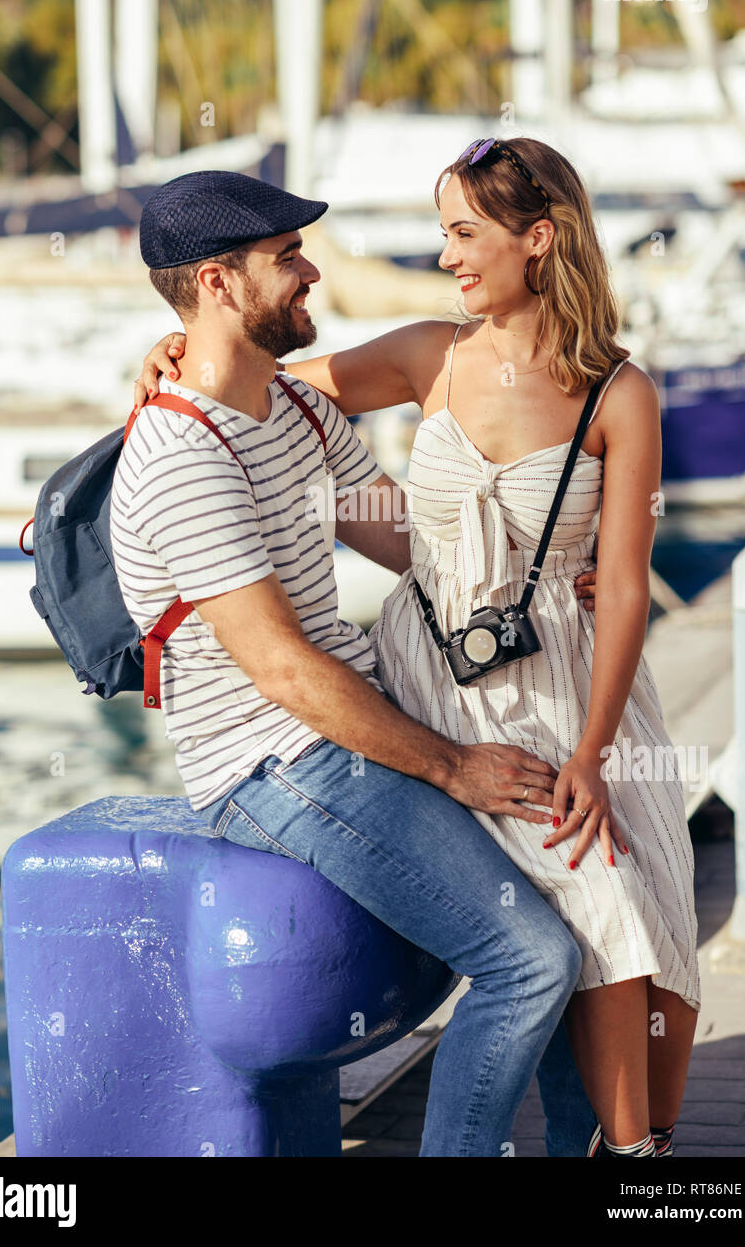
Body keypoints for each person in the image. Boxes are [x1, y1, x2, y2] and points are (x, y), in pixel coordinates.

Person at [137, 141, 700, 1160]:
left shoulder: (305, 410)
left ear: (541, 239)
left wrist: (546, 555)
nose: (317, 270)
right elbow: (281, 665)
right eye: (289, 254)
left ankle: (615, 1151)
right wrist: (456, 766)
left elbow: (403, 525)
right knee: (552, 940)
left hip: (478, 681)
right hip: (348, 726)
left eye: (460, 232)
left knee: (619, 907)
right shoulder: (221, 437)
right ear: (218, 280)